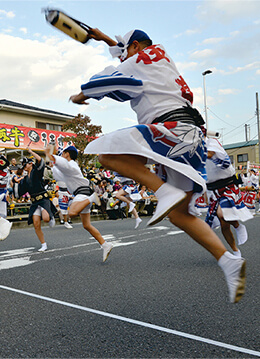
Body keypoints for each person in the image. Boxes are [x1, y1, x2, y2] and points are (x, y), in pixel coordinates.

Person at [69, 28, 246, 303]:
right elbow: (124, 58)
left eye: (125, 50)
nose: (122, 56)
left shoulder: (137, 62)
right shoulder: (159, 57)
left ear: (136, 47)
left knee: (103, 152)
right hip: (191, 136)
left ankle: (163, 191)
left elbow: (102, 82)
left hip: (169, 129)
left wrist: (82, 96)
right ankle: (229, 261)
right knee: (179, 214)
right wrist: (105, 39)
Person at [45, 145, 113, 262]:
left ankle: (92, 198)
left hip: (83, 193)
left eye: (63, 154)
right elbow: (60, 173)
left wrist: (52, 157)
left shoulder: (72, 164)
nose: (61, 156)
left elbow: (63, 164)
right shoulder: (68, 167)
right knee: (86, 225)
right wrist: (53, 162)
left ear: (67, 154)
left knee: (71, 213)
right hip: (82, 193)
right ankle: (105, 245)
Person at [204, 133, 253, 258]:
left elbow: (210, 154)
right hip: (212, 189)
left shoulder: (211, 142)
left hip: (227, 186)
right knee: (224, 225)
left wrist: (193, 152)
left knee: (222, 214)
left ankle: (237, 226)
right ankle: (235, 251)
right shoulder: (194, 149)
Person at [13, 147, 57, 252]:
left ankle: (51, 216)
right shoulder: (25, 179)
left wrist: (31, 152)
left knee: (46, 219)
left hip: (43, 199)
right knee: (36, 224)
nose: (24, 167)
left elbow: (40, 160)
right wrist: (14, 183)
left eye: (25, 164)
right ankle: (43, 244)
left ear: (30, 164)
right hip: (34, 202)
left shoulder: (37, 172)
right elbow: (20, 191)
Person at [0, 154, 12, 240]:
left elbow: (7, 184)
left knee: (2, 213)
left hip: (3, 192)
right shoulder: (6, 172)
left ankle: (2, 229)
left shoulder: (6, 172)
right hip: (3, 192)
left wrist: (7, 192)